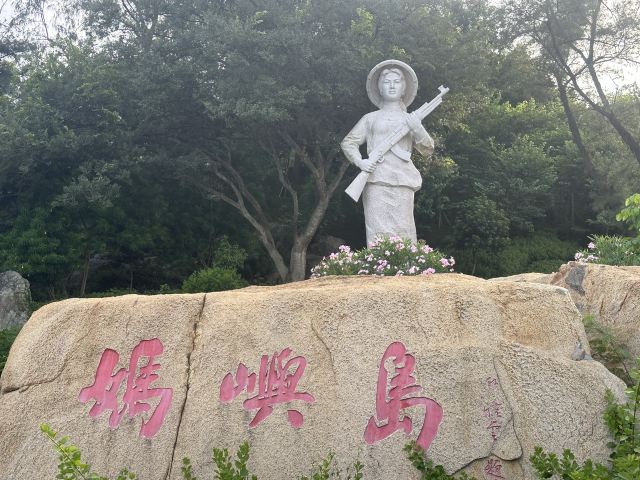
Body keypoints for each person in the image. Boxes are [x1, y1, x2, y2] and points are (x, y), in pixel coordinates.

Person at [341, 60, 434, 245]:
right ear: (379, 88)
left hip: (403, 179)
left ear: (404, 88)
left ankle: (406, 261)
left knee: (404, 229)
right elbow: (349, 143)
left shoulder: (411, 119)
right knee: (377, 231)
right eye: (386, 82)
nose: (392, 86)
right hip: (376, 178)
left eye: (396, 82)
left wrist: (417, 128)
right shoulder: (370, 118)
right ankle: (378, 261)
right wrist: (360, 162)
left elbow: (427, 149)